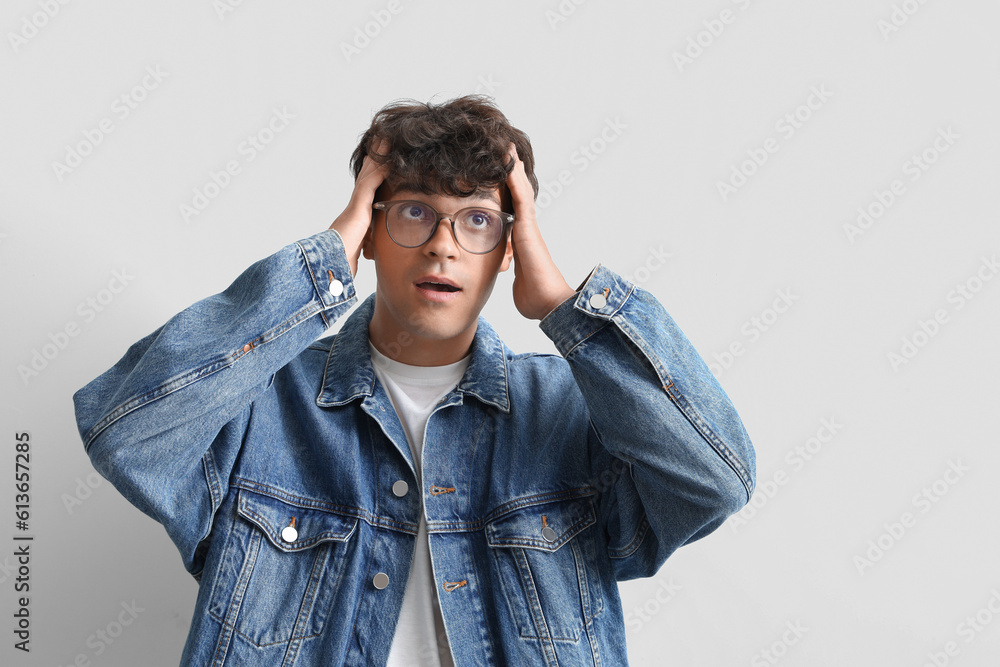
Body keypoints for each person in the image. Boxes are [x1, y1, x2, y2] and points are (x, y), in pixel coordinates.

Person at [73, 94, 756, 666]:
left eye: (478, 220)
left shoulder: (570, 414)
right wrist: (322, 265)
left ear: (511, 248)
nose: (443, 243)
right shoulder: (261, 408)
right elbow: (125, 433)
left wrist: (564, 306)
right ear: (370, 230)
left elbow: (716, 479)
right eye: (413, 211)